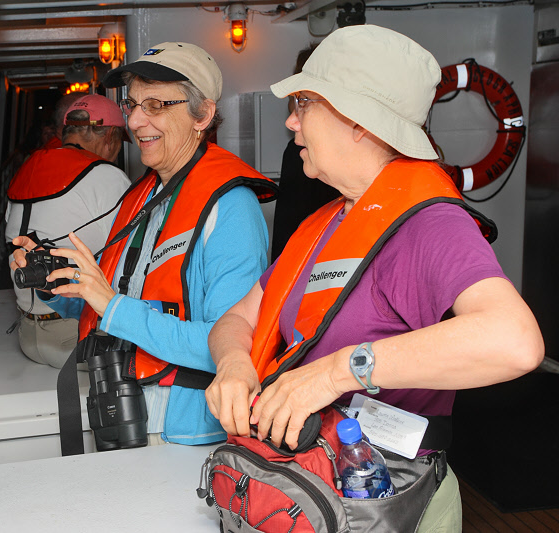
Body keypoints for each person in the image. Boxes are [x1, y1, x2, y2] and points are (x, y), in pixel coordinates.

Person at [205, 25, 543, 530]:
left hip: (388, 504)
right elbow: (237, 318)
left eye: (305, 104)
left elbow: (516, 342)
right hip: (313, 489)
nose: (292, 122)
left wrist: (335, 372)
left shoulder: (431, 225)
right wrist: (234, 364)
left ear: (358, 122)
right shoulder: (326, 224)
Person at [11, 42, 278, 446]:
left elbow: (228, 350)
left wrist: (112, 306)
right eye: (132, 104)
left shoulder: (232, 211)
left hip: (184, 432)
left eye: (155, 105)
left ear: (201, 115)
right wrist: (54, 283)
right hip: (127, 413)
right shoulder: (147, 197)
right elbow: (113, 304)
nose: (134, 121)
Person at [5, 94, 131, 369]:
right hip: (76, 339)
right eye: (119, 143)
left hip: (27, 334)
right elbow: (137, 252)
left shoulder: (27, 167)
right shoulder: (107, 176)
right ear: (110, 136)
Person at [271, 43, 339, 261]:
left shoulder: (298, 151)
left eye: (303, 99)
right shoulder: (297, 151)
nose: (291, 122)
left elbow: (288, 223)